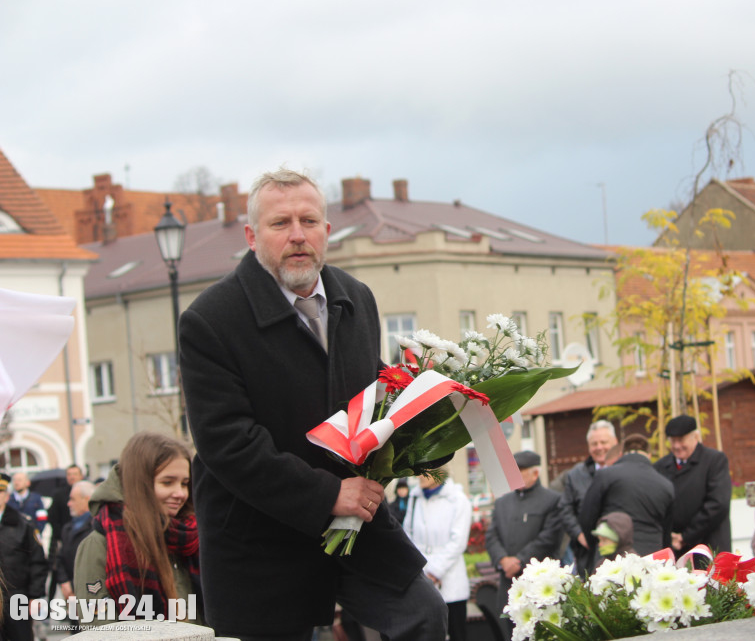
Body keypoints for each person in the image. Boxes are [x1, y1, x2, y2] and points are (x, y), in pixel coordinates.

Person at [179, 169, 445, 641]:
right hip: (259, 537)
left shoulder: (355, 298)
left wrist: (436, 409)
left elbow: (372, 395)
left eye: (309, 221)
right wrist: (326, 495)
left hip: (354, 523)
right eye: (280, 223)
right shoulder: (210, 320)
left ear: (327, 230)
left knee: (422, 613)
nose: (297, 235)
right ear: (251, 236)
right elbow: (227, 444)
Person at [73, 432, 201, 627]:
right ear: (140, 483)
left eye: (184, 484)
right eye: (167, 482)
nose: (180, 493)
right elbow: (97, 626)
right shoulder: (99, 544)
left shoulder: (189, 537)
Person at [485, 451, 562, 640]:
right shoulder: (502, 502)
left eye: (520, 471)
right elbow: (492, 535)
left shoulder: (552, 500)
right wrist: (503, 560)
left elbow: (549, 538)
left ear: (535, 473)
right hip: (509, 585)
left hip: (539, 586)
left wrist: (519, 561)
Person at [578, 433, 673, 561]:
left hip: (612, 556)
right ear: (649, 455)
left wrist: (596, 543)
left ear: (621, 454)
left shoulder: (605, 475)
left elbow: (587, 517)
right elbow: (666, 530)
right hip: (651, 557)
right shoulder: (666, 485)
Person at [402, 471, 472, 641]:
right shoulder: (415, 498)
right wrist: (423, 570)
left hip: (450, 582)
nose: (418, 476)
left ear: (439, 471)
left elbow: (458, 542)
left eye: (423, 472)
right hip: (422, 581)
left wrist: (435, 571)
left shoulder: (458, 499)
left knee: (456, 633)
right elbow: (407, 535)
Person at [653, 414, 733, 558]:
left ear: (695, 437)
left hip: (708, 546)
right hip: (674, 550)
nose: (676, 446)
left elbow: (718, 504)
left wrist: (685, 536)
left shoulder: (714, 461)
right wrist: (669, 536)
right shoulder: (660, 466)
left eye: (681, 440)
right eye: (672, 441)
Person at [557, 420, 617, 574]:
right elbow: (565, 508)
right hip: (588, 553)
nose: (599, 447)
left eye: (604, 442)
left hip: (620, 550)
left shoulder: (624, 470)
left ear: (615, 442)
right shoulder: (576, 475)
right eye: (594, 444)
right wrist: (579, 534)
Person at [0, 472, 48, 641]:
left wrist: (35, 596)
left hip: (18, 596)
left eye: (0, 492)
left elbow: (38, 562)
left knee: (21, 636)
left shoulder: (23, 524)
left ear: (7, 496)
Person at [47, 464, 84, 603]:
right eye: (69, 474)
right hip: (63, 539)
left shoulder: (87, 491)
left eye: (75, 474)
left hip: (83, 536)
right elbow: (52, 517)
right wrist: (63, 534)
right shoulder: (59, 494)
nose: (72, 477)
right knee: (58, 573)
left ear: (81, 475)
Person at [55, 480, 95, 597]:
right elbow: (60, 557)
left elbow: (93, 564)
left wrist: (73, 585)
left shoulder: (96, 527)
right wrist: (64, 582)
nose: (69, 504)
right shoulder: (68, 528)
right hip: (69, 593)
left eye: (73, 499)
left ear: (87, 500)